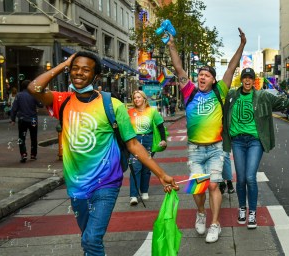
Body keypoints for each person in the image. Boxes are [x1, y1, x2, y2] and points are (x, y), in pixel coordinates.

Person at [27, 51, 178, 255]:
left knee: (91, 238)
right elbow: (34, 88)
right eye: (75, 69)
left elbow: (133, 145)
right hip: (76, 184)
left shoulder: (113, 105)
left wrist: (161, 174)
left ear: (96, 76)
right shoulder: (61, 100)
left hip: (106, 183)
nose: (79, 73)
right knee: (88, 239)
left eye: (86, 70)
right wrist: (64, 63)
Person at [167, 28, 246, 243]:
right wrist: (172, 44)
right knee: (197, 188)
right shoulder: (189, 90)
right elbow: (178, 67)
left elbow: (231, 67)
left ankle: (215, 223)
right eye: (200, 74)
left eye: (206, 75)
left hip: (215, 148)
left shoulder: (220, 91)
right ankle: (201, 212)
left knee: (212, 185)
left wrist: (242, 45)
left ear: (213, 80)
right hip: (194, 149)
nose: (202, 77)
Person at [222, 67, 289, 229]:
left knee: (250, 177)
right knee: (241, 177)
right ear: (241, 80)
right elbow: (218, 103)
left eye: (250, 78)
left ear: (254, 81)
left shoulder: (263, 96)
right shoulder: (232, 95)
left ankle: (252, 212)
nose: (247, 80)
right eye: (244, 78)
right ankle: (242, 207)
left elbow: (286, 103)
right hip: (237, 141)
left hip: (255, 141)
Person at [128, 90, 167, 205]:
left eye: (139, 97)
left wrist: (163, 140)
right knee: (135, 168)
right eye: (135, 98)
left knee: (146, 167)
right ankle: (133, 195)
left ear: (144, 99)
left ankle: (144, 190)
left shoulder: (152, 111)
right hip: (134, 141)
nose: (136, 100)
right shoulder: (129, 112)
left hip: (148, 140)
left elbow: (160, 126)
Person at [10, 80, 43, 163]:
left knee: (21, 138)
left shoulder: (19, 95)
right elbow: (41, 104)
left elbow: (14, 109)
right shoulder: (34, 95)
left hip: (22, 119)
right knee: (33, 137)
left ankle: (23, 154)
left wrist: (13, 119)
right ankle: (33, 155)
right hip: (33, 120)